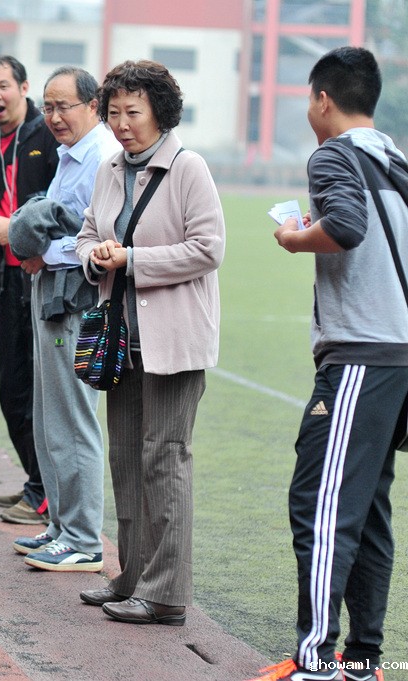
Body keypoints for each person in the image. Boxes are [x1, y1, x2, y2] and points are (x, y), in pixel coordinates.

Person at [250, 46, 408, 681]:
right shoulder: (396, 158)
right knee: (366, 510)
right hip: (397, 355)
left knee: (319, 505)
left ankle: (316, 659)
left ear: (322, 99)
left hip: (363, 354)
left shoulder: (333, 154)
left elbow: (344, 226)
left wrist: (295, 238)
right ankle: (363, 662)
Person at [74, 60, 225, 625]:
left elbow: (208, 248)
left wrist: (132, 259)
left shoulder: (188, 168)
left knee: (166, 461)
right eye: (113, 113)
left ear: (160, 112)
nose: (121, 124)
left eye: (132, 112)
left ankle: (166, 595)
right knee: (126, 461)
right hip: (122, 342)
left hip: (174, 343)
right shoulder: (110, 168)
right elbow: (88, 234)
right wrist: (95, 256)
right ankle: (132, 576)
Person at [7, 66, 120, 571]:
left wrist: (43, 253)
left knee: (73, 418)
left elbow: (102, 237)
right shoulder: (71, 154)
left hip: (74, 296)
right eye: (48, 107)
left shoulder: (100, 157)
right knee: (50, 414)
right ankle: (60, 527)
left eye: (63, 106)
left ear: (92, 106)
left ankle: (83, 539)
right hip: (51, 291)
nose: (53, 117)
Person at [0, 55, 59, 524]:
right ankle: (35, 482)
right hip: (6, 283)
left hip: (43, 275)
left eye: (3, 85)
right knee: (12, 389)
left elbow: (61, 209)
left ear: (24, 87)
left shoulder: (47, 137)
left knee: (42, 391)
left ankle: (45, 493)